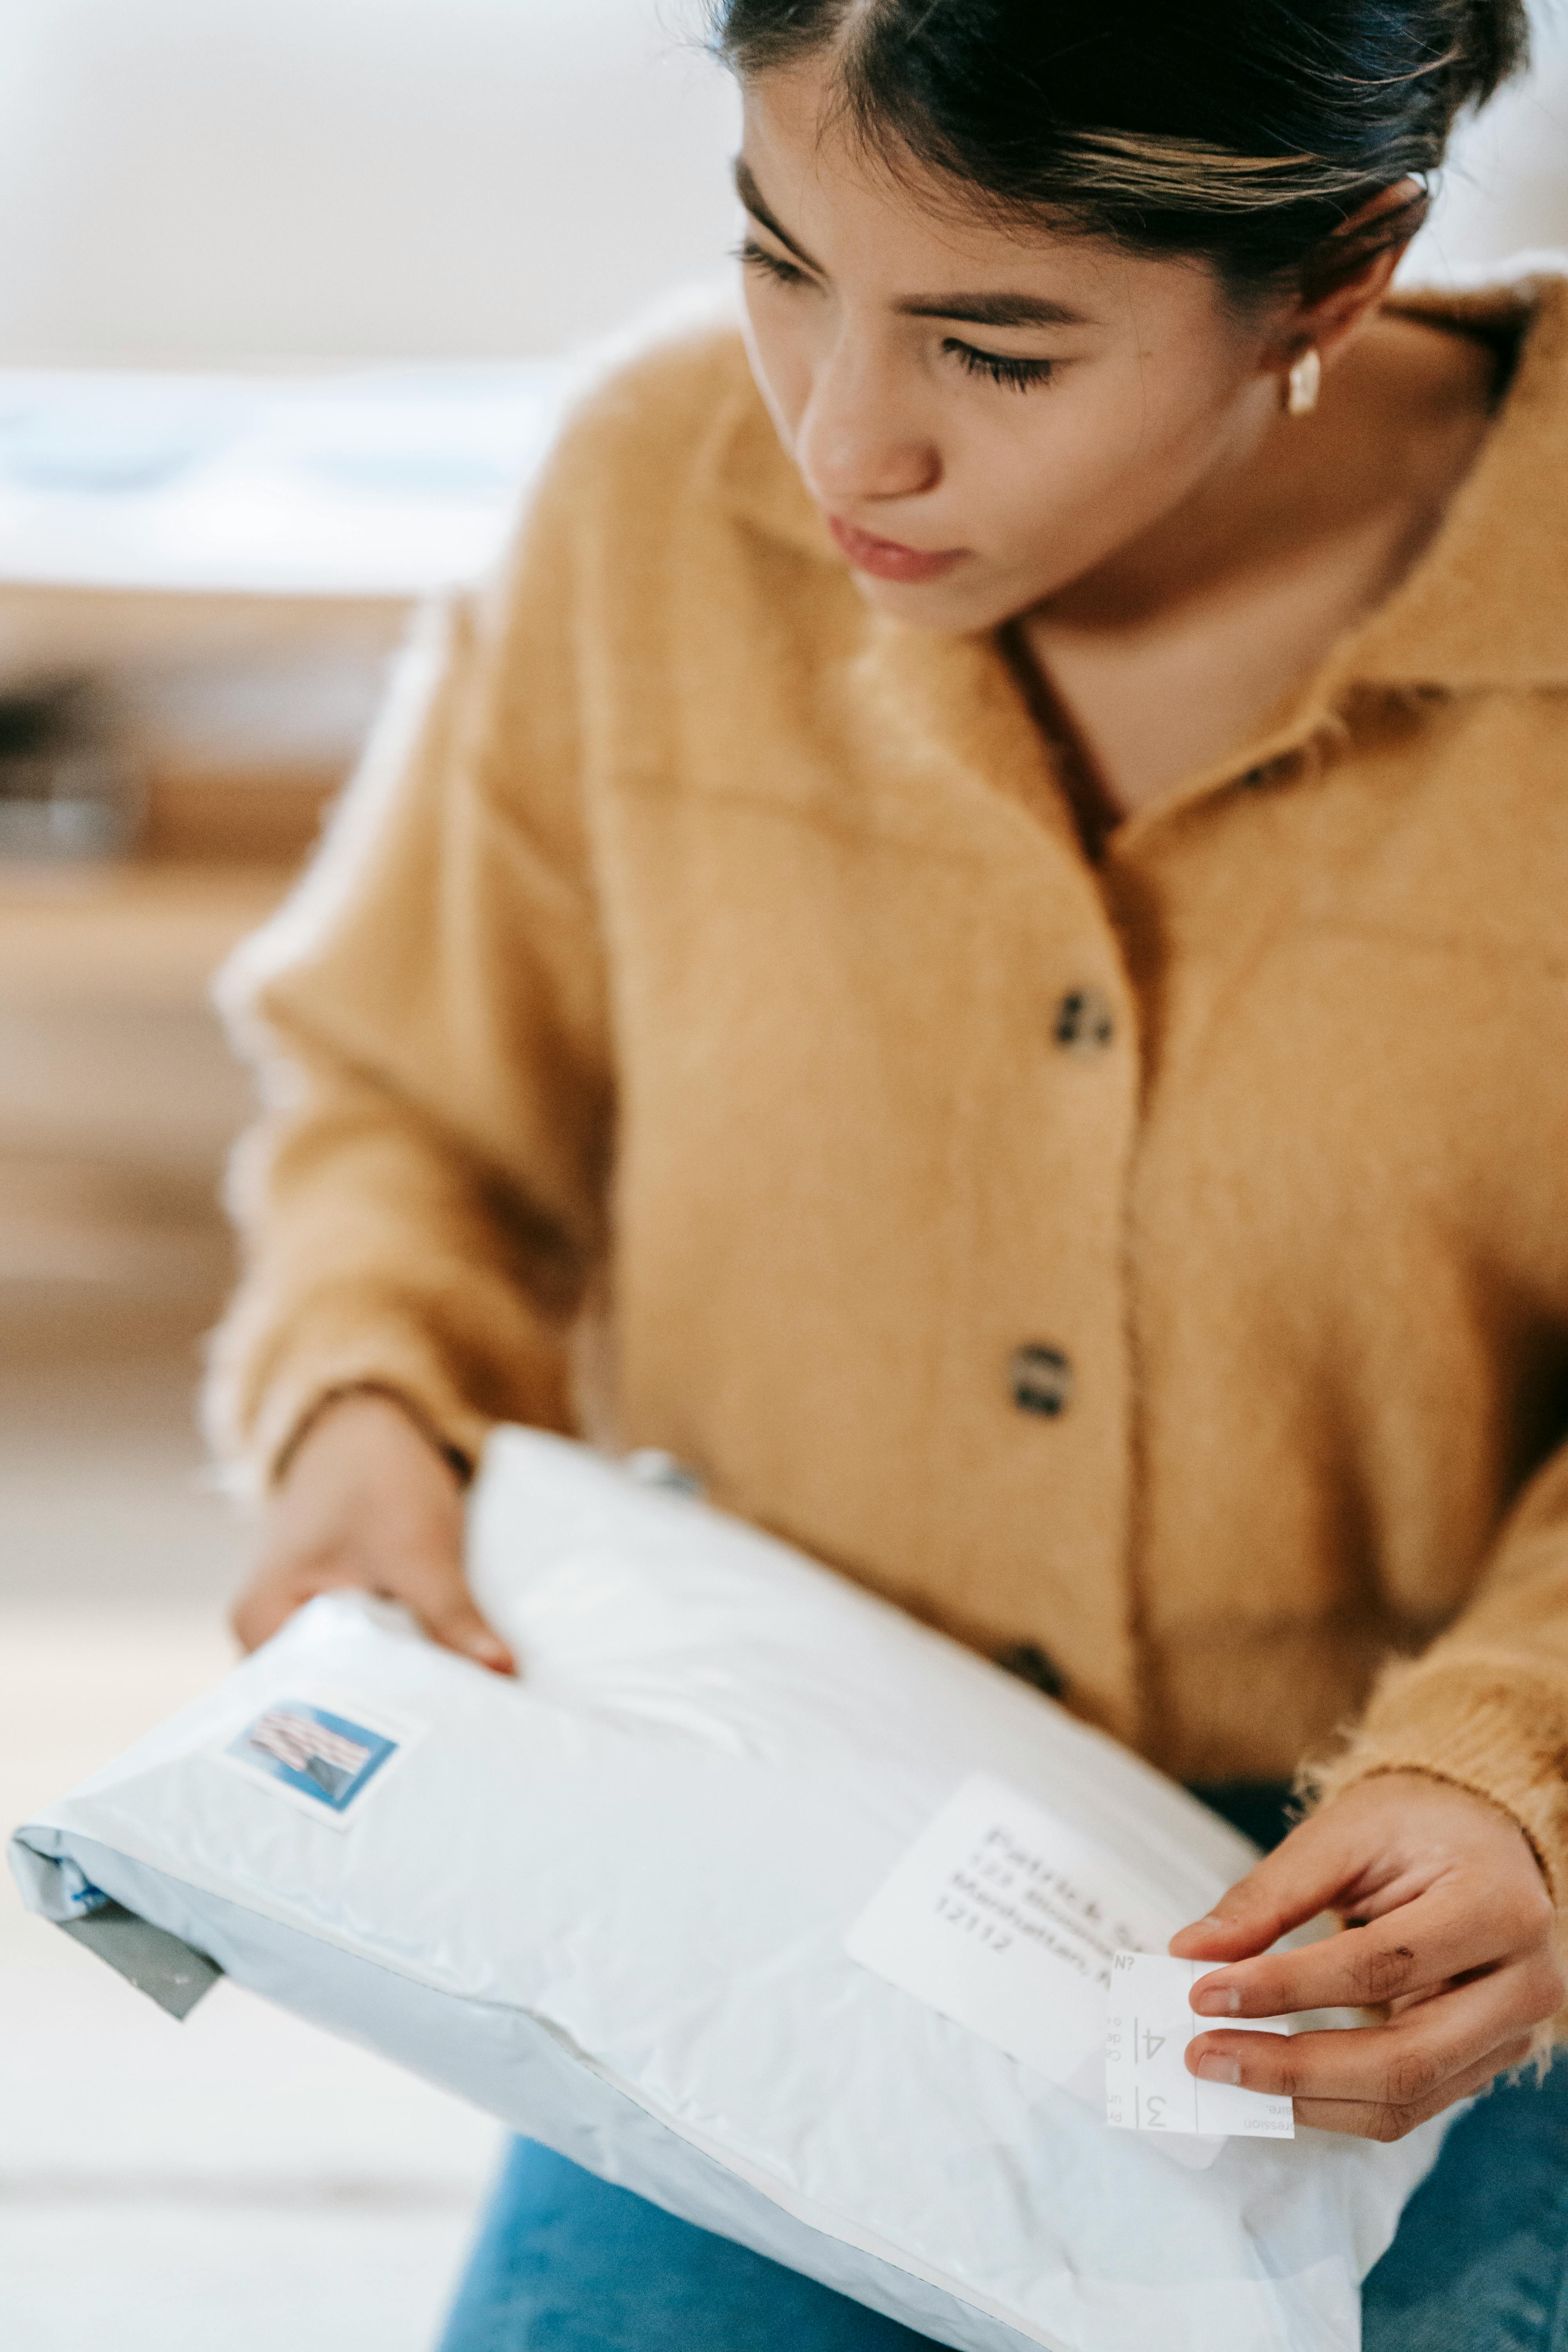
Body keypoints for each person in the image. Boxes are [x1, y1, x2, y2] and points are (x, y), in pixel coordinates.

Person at [209, 0, 1568, 2343]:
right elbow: (407, 1104)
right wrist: (362, 1409)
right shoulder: (651, 497)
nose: (843, 435)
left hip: (1419, 1908)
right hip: (778, 1828)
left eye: (996, 348)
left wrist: (1517, 1779)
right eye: (775, 257)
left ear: (1341, 273)